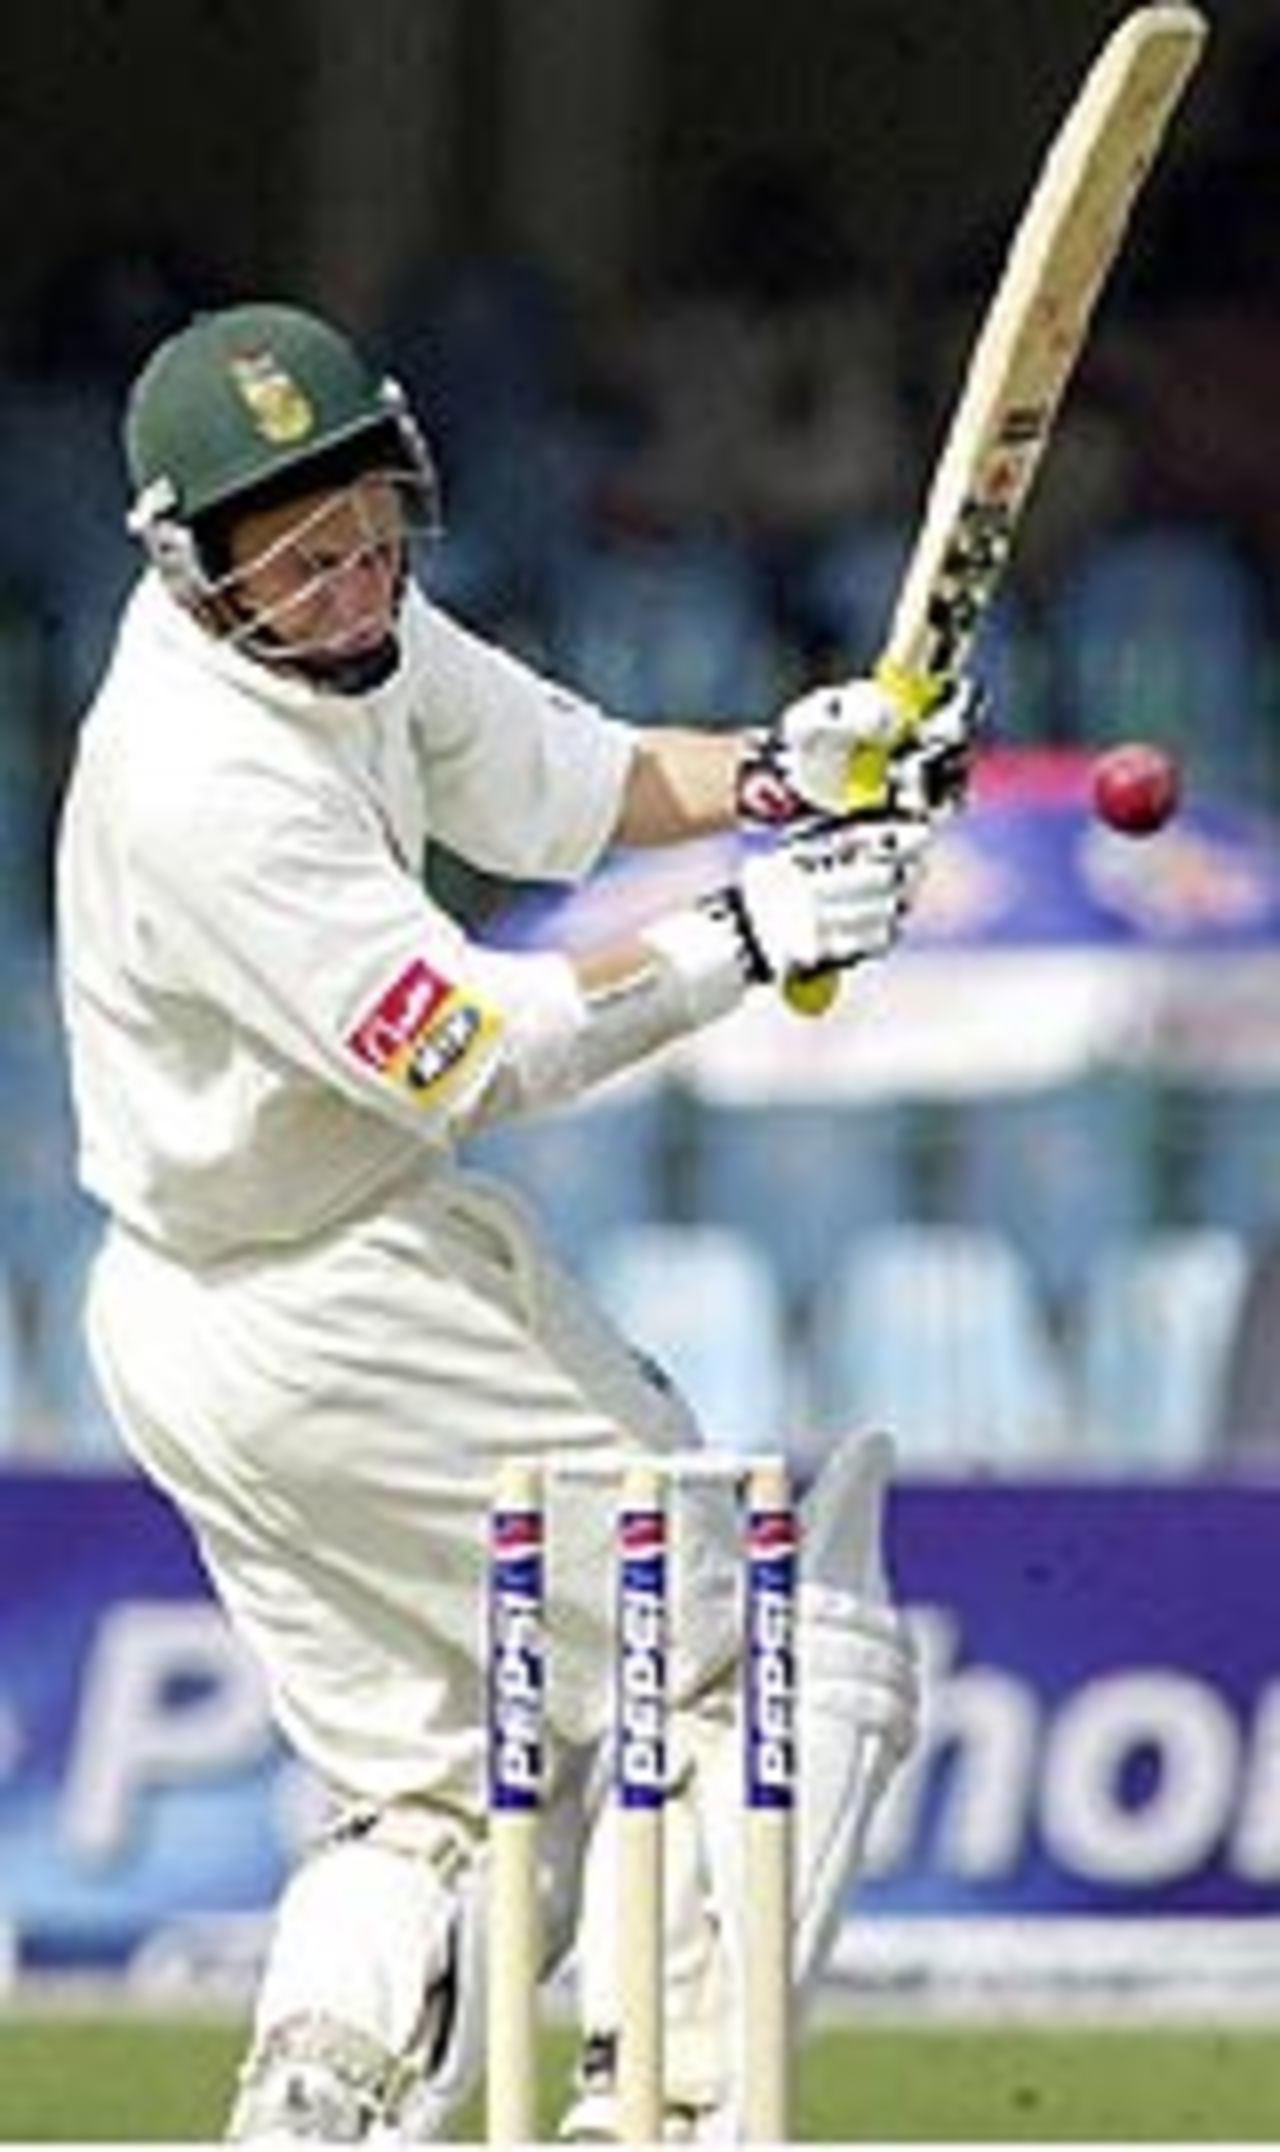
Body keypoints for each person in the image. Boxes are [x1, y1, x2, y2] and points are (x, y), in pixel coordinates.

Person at [54, 300, 976, 2142]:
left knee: (442, 1796)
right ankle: (686, 2111)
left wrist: (785, 775)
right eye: (294, 560)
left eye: (370, 527)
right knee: (757, 1645)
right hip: (331, 1305)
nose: (345, 581)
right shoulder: (202, 779)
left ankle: (326, 2113)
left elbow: (571, 784)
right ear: (192, 568)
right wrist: (749, 934)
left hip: (226, 1309)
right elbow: (470, 1053)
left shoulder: (365, 640)